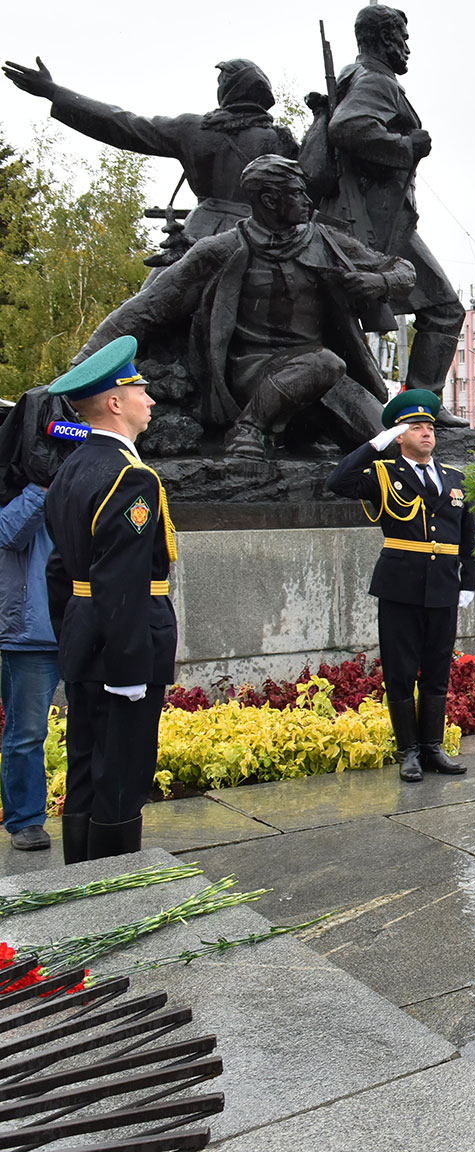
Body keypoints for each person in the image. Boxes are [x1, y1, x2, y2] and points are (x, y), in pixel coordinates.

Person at [71, 155, 411, 459]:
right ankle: (248, 428)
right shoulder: (220, 249)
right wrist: (78, 369)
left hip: (323, 376)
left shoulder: (325, 240)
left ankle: (298, 434)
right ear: (269, 200)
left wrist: (379, 282)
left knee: (392, 447)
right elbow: (146, 309)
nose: (308, 201)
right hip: (251, 372)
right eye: (297, 193)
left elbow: (403, 270)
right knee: (324, 362)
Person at [42, 337, 178, 861]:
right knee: (122, 773)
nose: (150, 398)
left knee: (85, 767)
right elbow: (122, 581)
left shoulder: (72, 468)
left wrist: (74, 633)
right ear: (115, 402)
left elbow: (61, 570)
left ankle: (80, 878)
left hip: (85, 635)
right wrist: (127, 669)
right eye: (139, 389)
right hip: (123, 644)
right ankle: (113, 888)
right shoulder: (130, 477)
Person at [319, 3, 466, 410]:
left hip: (361, 216)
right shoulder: (376, 80)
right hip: (374, 220)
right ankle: (421, 407)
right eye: (403, 38)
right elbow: (348, 127)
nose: (407, 47)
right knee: (445, 308)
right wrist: (406, 146)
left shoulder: (353, 76)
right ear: (386, 38)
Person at [327, 388, 475, 782]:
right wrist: (373, 446)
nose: (426, 432)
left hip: (443, 586)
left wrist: (470, 581)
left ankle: (432, 748)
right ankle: (408, 751)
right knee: (400, 670)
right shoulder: (383, 475)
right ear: (398, 436)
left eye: (430, 426)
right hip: (400, 586)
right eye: (416, 427)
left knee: (437, 669)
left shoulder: (455, 478)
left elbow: (469, 536)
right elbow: (337, 482)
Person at [2, 56, 295, 257]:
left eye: (222, 82)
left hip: (201, 236)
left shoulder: (195, 129)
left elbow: (122, 123)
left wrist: (54, 92)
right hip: (266, 241)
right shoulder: (281, 140)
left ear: (230, 89)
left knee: (146, 311)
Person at [0, 390, 72, 853]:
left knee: (84, 727)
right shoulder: (16, 485)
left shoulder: (78, 477)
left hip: (75, 626)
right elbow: (8, 533)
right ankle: (25, 821)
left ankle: (82, 810)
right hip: (28, 634)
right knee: (26, 734)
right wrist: (42, 487)